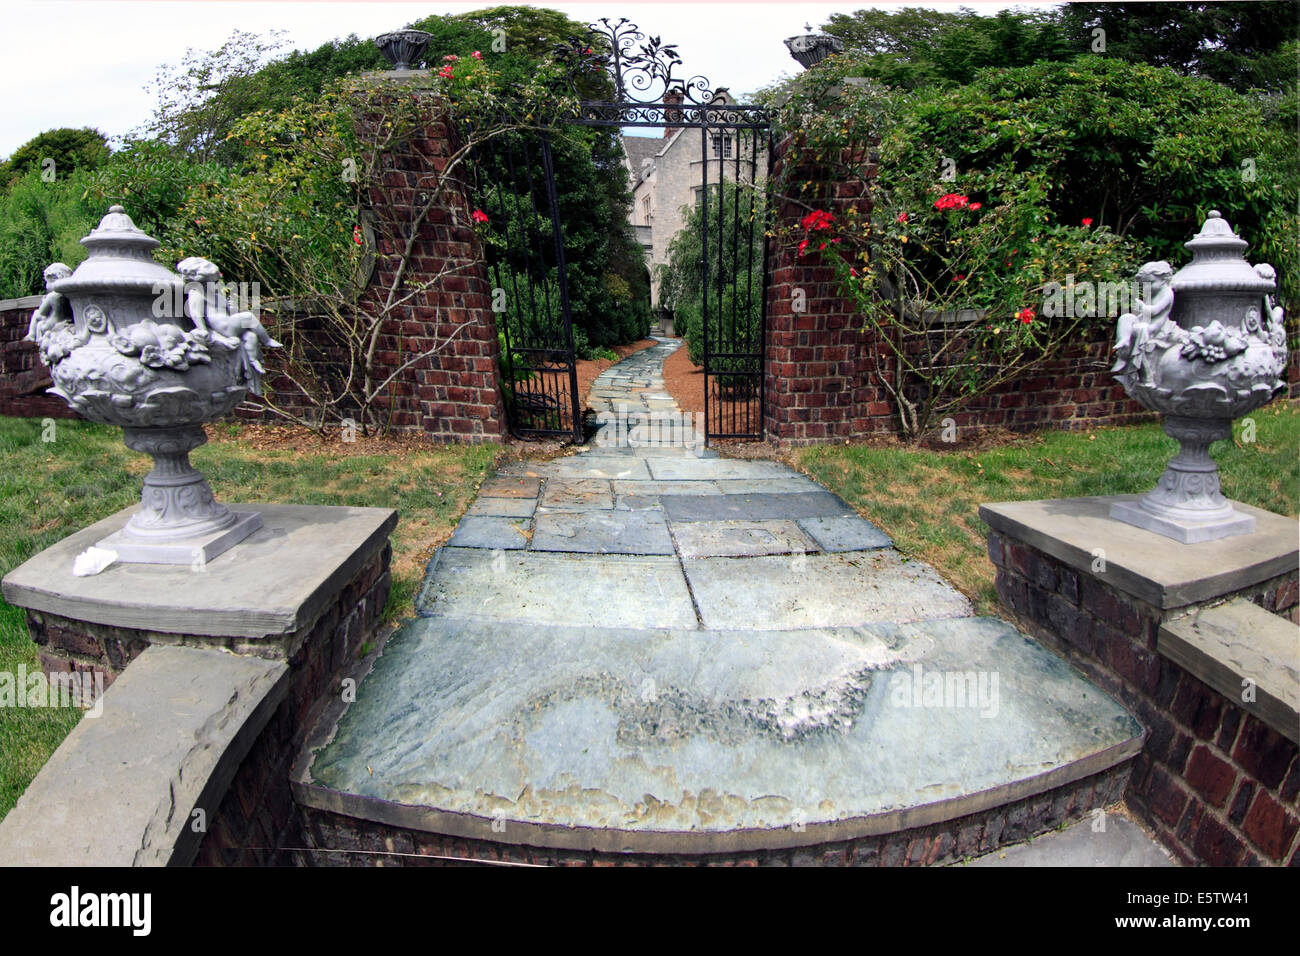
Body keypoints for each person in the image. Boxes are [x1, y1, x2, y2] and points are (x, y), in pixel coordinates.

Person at [177, 257, 281, 395]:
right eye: (212, 281)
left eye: (216, 281)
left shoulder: (216, 295)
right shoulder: (196, 294)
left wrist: (231, 306)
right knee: (248, 317)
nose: (216, 283)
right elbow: (196, 314)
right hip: (224, 327)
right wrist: (202, 329)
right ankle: (267, 340)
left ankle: (252, 361)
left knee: (250, 337)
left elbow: (228, 310)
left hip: (228, 323)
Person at [1112, 260, 1175, 384]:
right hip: (1145, 320)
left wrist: (1142, 308)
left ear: (1163, 279)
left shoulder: (1167, 292)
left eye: (1150, 283)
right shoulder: (1153, 292)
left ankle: (1139, 367)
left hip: (1156, 326)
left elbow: (1155, 310)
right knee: (1126, 318)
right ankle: (1123, 345)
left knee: (1140, 329)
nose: (1147, 287)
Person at [25, 263, 73, 344]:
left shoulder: (52, 296)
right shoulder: (71, 295)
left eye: (49, 281)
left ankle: (31, 335)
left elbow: (41, 313)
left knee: (37, 314)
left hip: (51, 325)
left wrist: (45, 302)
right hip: (66, 323)